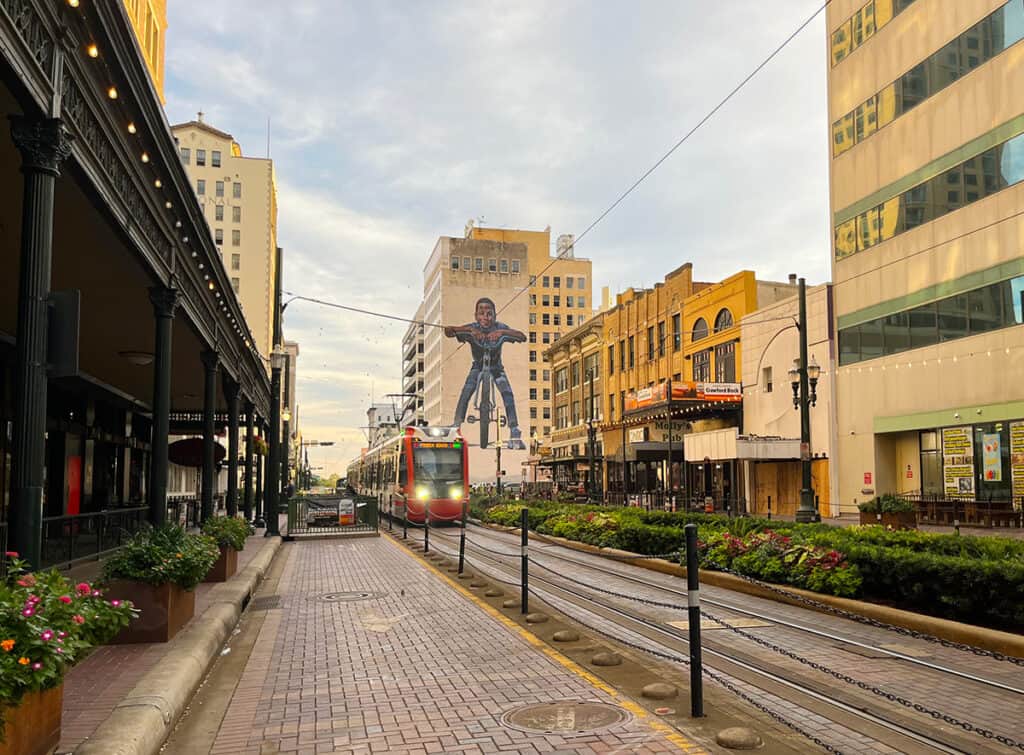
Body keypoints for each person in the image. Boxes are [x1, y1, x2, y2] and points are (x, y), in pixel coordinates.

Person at [444, 297, 527, 450]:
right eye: (481, 313)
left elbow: (522, 336)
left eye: (489, 314)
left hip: (496, 368)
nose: (486, 317)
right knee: (467, 390)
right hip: (478, 366)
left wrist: (501, 332)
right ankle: (456, 425)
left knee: (507, 393)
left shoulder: (499, 327)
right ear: (476, 315)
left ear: (495, 316)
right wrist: (470, 331)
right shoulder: (472, 327)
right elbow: (448, 331)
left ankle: (514, 430)